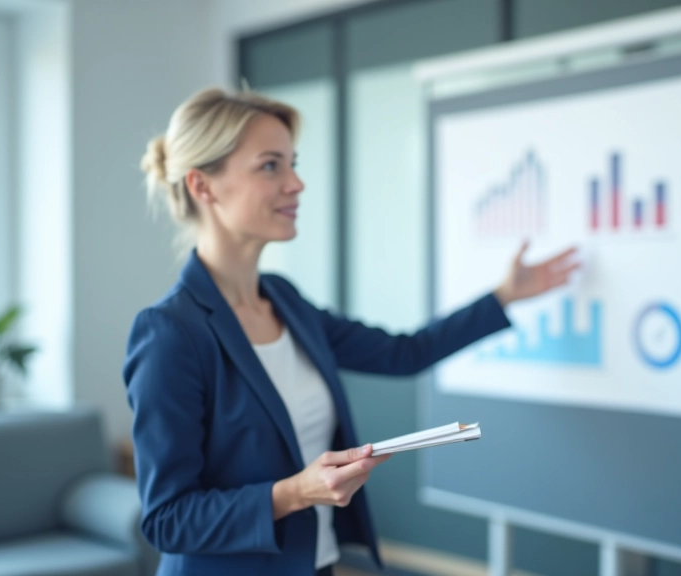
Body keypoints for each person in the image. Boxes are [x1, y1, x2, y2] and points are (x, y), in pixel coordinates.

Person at [124, 87, 579, 576]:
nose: (296, 183)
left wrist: (504, 296)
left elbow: (404, 353)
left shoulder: (285, 301)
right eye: (271, 166)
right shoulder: (170, 332)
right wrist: (295, 492)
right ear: (203, 186)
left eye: (293, 164)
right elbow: (168, 520)